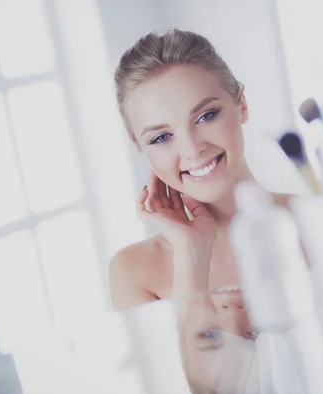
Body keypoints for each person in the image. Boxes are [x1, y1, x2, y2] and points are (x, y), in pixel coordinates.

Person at [109, 28, 289, 310]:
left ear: (241, 105)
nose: (193, 149)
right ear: (141, 148)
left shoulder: (320, 217)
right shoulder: (134, 271)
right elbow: (187, 356)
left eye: (206, 116)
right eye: (161, 137)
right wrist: (191, 252)